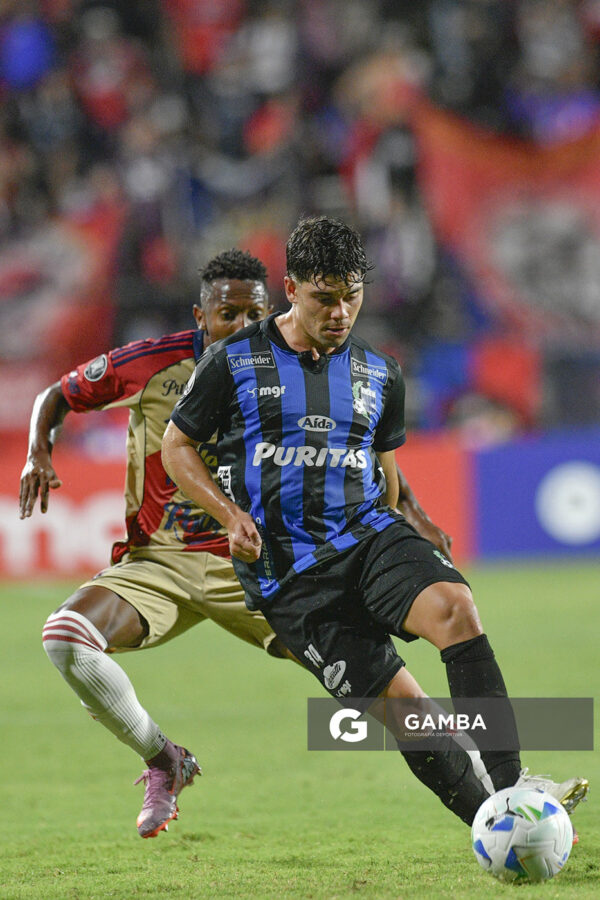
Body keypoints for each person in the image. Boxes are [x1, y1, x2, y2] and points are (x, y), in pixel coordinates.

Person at [19, 247, 461, 839]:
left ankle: (501, 789)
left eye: (252, 313)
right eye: (225, 314)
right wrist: (37, 452)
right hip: (163, 561)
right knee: (66, 637)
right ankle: (162, 758)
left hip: (263, 563)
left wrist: (412, 511)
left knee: (379, 689)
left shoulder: (290, 365)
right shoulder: (153, 364)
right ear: (200, 318)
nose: (240, 325)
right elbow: (57, 396)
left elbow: (360, 457)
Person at [162, 216, 589, 828]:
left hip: (367, 536)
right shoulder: (232, 362)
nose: (340, 312)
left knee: (456, 609)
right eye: (324, 298)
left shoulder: (379, 372)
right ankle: (495, 826)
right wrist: (228, 514)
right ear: (291, 288)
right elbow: (178, 447)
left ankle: (516, 786)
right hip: (290, 577)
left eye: (351, 296)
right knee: (407, 713)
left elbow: (381, 462)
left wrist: (412, 516)